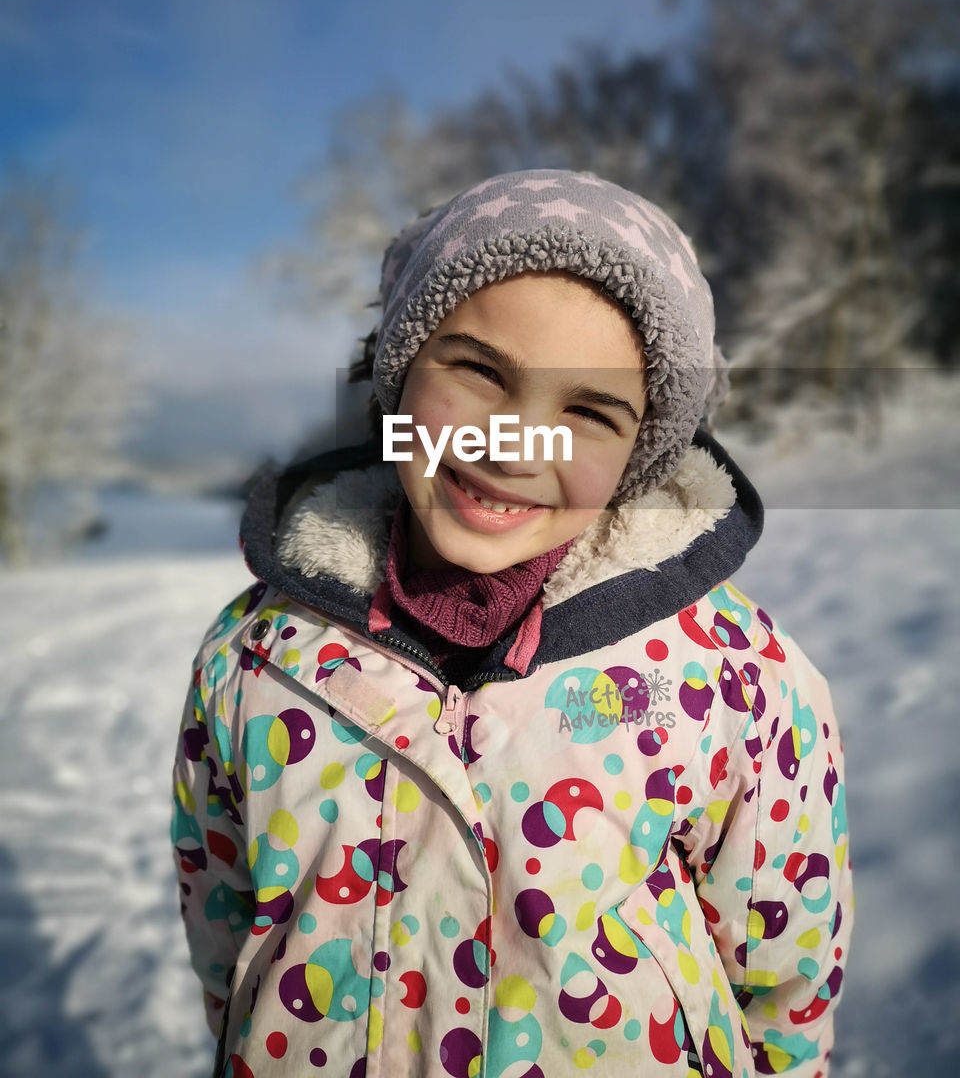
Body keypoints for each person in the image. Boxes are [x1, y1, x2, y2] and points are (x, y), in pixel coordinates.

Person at [171, 169, 852, 1077]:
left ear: (641, 456)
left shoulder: (729, 673)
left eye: (590, 413)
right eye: (482, 371)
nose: (517, 442)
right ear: (399, 370)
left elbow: (786, 965)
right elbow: (224, 928)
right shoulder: (255, 656)